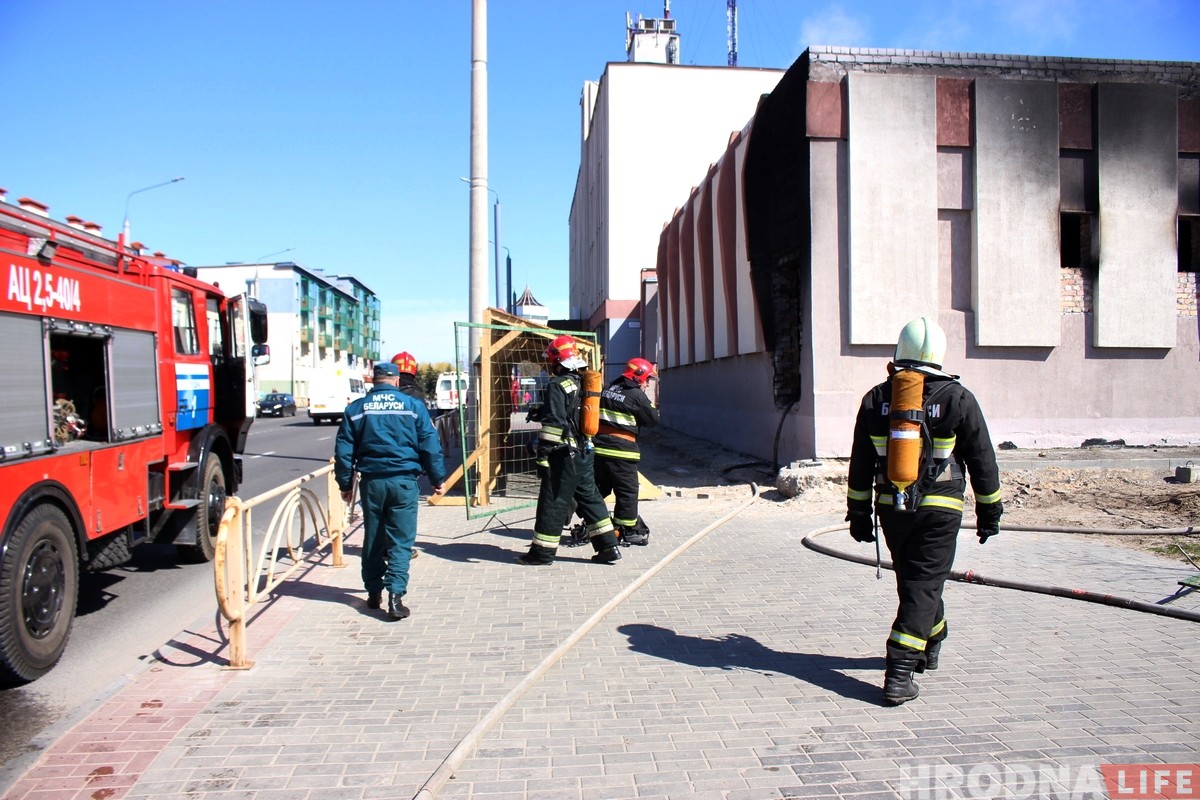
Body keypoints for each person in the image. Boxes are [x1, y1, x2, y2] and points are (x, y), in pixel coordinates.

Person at [845, 316, 1003, 705]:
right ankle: (899, 673)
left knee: (916, 582)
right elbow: (983, 460)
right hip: (940, 510)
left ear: (899, 352)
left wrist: (859, 513)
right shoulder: (958, 399)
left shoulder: (876, 399)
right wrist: (990, 513)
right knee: (922, 584)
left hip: (892, 509)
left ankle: (934, 637)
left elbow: (861, 464)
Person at [335, 362, 447, 620]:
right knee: (401, 541)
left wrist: (345, 484)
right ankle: (395, 597)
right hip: (404, 482)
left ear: (373, 381)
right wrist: (437, 478)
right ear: (396, 381)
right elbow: (430, 445)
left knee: (373, 538)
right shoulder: (413, 407)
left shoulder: (356, 409)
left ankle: (373, 593)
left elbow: (343, 451)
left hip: (372, 483)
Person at [519, 334, 622, 566]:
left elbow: (554, 426)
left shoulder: (557, 385)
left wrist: (543, 455)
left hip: (564, 454)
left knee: (553, 501)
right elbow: (573, 412)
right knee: (591, 499)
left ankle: (541, 554)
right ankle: (609, 547)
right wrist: (542, 411)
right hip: (585, 451)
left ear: (556, 360)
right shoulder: (583, 381)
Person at [593, 357, 660, 546]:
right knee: (627, 492)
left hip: (599, 449)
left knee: (599, 488)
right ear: (638, 377)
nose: (647, 384)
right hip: (622, 452)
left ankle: (592, 521)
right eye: (647, 379)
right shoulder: (636, 396)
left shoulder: (607, 389)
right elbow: (652, 420)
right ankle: (627, 530)